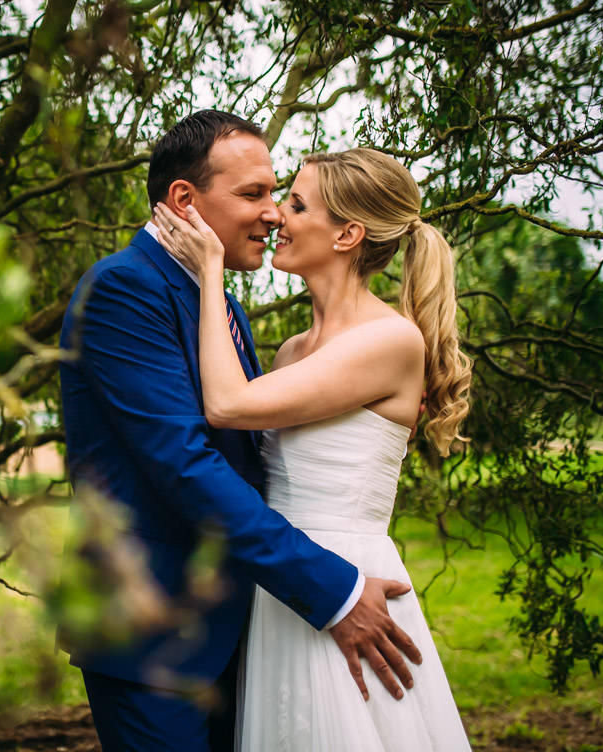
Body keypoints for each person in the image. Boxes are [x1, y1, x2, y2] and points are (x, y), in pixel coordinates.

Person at [59, 111, 422, 752]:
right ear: (184, 200)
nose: (274, 213)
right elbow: (186, 466)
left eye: (279, 195)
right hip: (155, 636)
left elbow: (249, 456)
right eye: (254, 194)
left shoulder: (216, 300)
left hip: (241, 630)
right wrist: (333, 590)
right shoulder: (123, 290)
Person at [152, 146, 473, 750]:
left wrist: (211, 269)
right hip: (283, 582)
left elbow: (227, 405)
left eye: (295, 205)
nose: (276, 216)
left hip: (349, 585)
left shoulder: (390, 340)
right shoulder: (293, 351)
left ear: (348, 234)